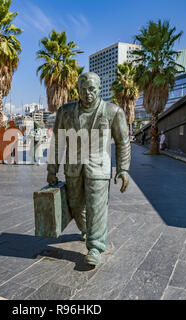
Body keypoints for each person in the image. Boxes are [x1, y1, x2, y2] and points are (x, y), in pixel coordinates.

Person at [47, 72, 131, 267]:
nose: (88, 94)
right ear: (78, 90)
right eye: (83, 89)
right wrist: (52, 169)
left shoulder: (113, 112)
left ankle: (95, 246)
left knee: (96, 207)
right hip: (73, 166)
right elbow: (58, 141)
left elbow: (123, 141)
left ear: (100, 89)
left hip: (99, 167)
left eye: (92, 89)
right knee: (75, 205)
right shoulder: (65, 112)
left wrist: (123, 168)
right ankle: (87, 229)